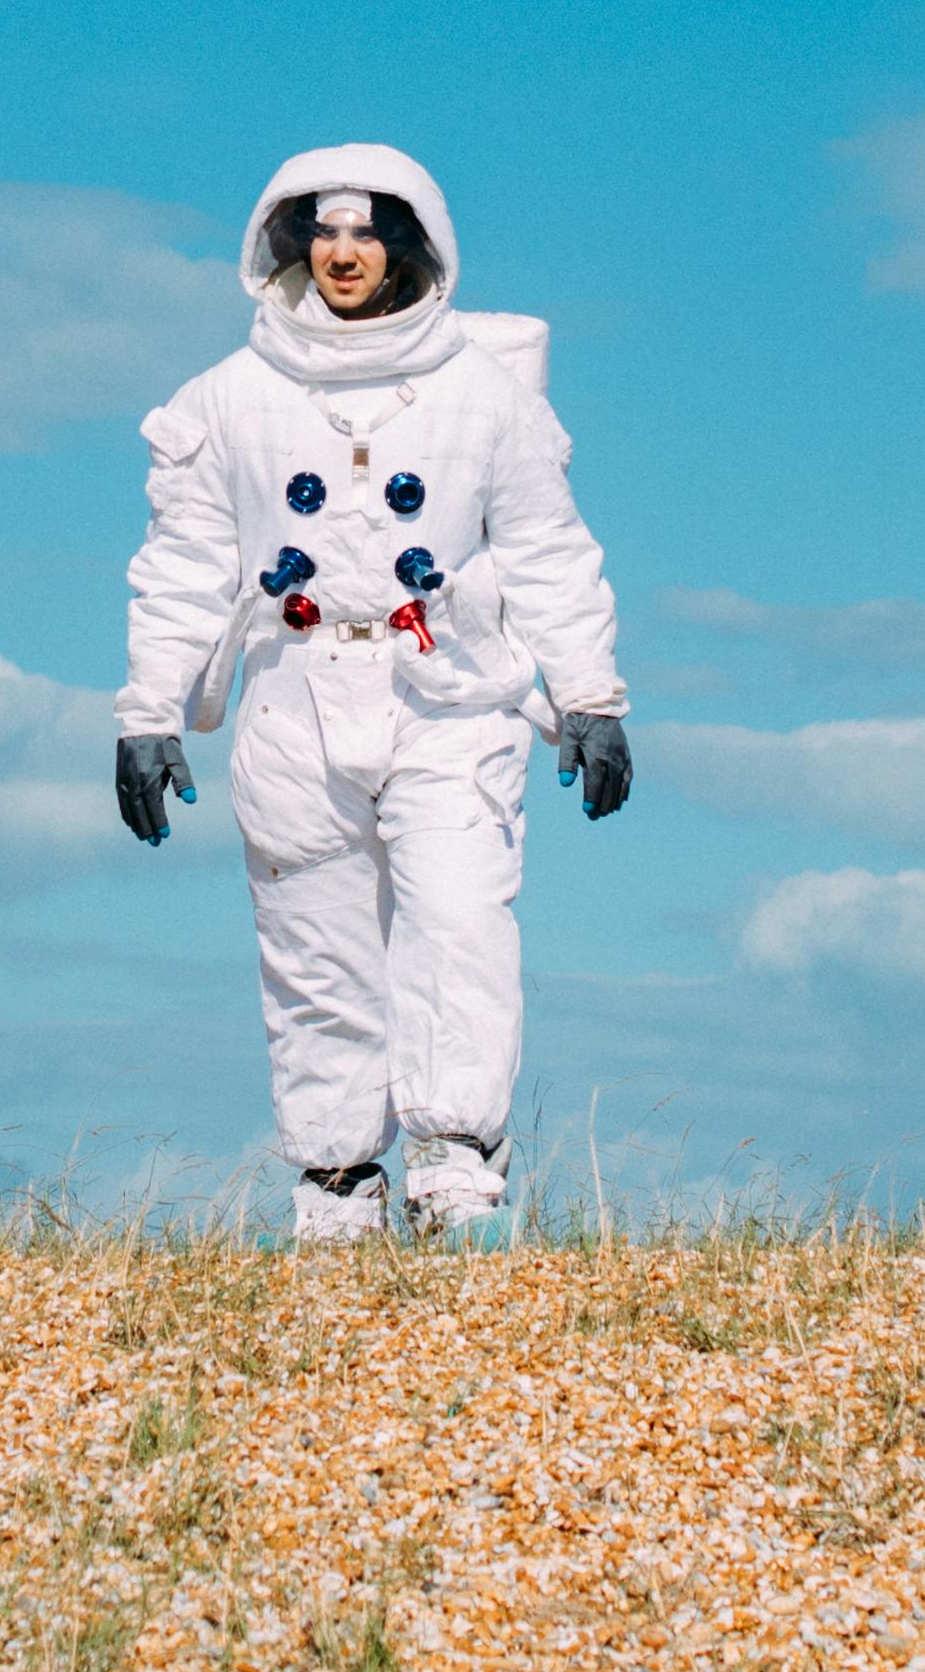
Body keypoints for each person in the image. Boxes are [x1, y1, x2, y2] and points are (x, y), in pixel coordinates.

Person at [114, 143, 630, 1240]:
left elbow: (545, 547)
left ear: (409, 246)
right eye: (323, 230)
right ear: (290, 240)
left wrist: (590, 693)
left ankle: (457, 1170)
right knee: (316, 943)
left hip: (447, 690)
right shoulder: (229, 397)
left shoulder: (483, 397)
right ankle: (339, 1182)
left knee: (456, 923)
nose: (342, 253)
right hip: (295, 694)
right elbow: (185, 561)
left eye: (366, 231)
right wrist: (151, 710)